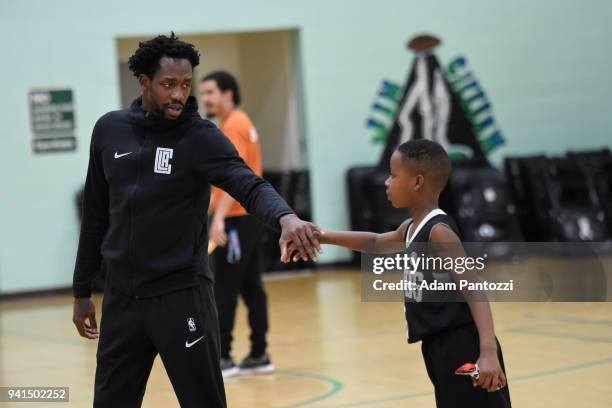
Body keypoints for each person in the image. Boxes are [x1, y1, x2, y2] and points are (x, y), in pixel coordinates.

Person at [71, 33, 320, 408]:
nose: (178, 94)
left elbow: (249, 184)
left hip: (181, 296)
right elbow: (95, 215)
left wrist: (285, 216)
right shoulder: (109, 130)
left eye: (185, 85)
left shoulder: (200, 138)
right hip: (122, 298)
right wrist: (80, 291)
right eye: (168, 84)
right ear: (144, 82)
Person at [291, 140, 511, 407]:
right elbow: (375, 242)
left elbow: (474, 289)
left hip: (463, 345)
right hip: (437, 347)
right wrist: (322, 236)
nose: (386, 182)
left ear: (417, 182)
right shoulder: (412, 228)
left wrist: (487, 352)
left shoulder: (438, 232)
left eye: (393, 175)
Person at [199, 71, 273, 377]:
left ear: (228, 94)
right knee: (251, 286)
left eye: (210, 92)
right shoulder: (238, 122)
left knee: (225, 289)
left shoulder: (233, 126)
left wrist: (218, 218)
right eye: (202, 93)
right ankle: (259, 354)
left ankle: (224, 357)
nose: (205, 99)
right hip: (249, 220)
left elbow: (235, 176)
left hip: (236, 221)